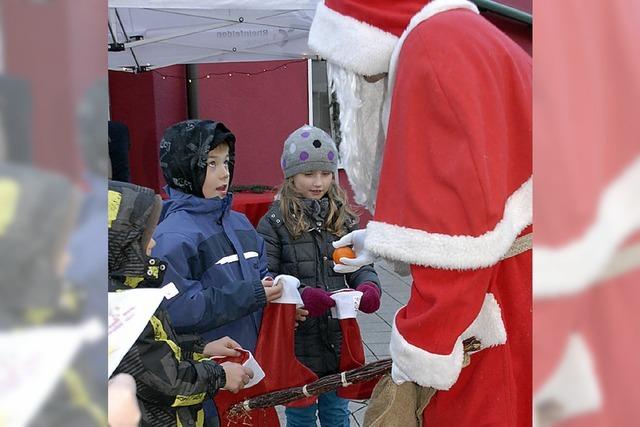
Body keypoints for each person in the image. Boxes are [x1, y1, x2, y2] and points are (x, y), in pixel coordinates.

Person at [308, 0, 532, 425]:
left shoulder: (430, 49)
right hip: (525, 279)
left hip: (491, 300)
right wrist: (380, 242)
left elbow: (456, 245)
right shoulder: (466, 35)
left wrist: (419, 347)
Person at [151, 120, 283, 420]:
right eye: (211, 164)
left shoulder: (240, 223)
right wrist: (251, 294)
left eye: (226, 162)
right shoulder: (173, 236)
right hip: (207, 377)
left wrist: (280, 300)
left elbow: (261, 275)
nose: (224, 173)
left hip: (250, 368)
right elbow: (178, 310)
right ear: (185, 169)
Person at [257, 125, 381, 427]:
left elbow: (358, 262)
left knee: (337, 412)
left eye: (325, 174)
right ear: (291, 175)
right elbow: (267, 276)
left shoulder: (342, 218)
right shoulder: (274, 223)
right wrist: (295, 300)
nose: (318, 182)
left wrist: (368, 284)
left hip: (338, 337)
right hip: (298, 340)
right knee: (300, 413)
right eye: (309, 174)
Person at [108, 180, 254, 427]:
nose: (153, 243)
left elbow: (152, 348)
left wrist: (201, 348)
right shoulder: (120, 309)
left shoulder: (126, 289)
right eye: (144, 237)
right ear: (120, 246)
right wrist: (220, 376)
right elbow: (165, 382)